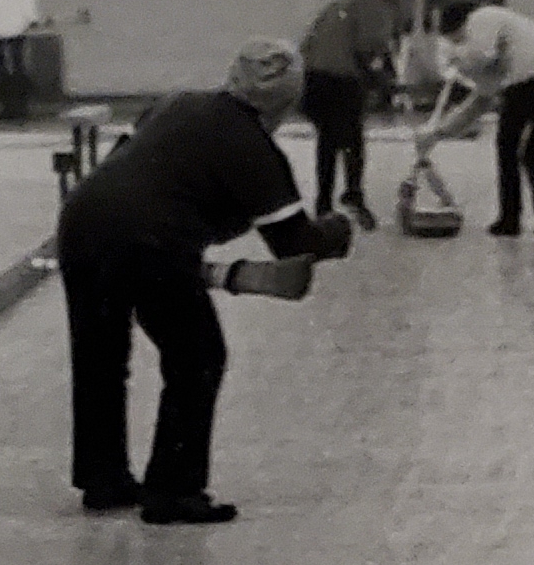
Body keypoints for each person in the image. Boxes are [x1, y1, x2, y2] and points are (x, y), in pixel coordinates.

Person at [53, 39, 353, 523]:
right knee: (197, 356)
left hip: (83, 219)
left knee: (99, 354)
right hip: (152, 240)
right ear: (288, 100)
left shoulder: (179, 102)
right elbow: (294, 245)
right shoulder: (254, 149)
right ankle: (173, 490)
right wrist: (335, 231)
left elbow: (130, 162)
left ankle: (102, 477)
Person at [436, 0, 534, 237]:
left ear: (460, 25)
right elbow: (481, 99)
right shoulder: (504, 34)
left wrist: (455, 59)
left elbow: (480, 56)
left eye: (458, 39)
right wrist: (440, 131)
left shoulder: (482, 17)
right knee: (533, 152)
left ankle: (510, 219)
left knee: (508, 148)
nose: (460, 44)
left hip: (530, 81)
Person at [298, 0, 407, 229]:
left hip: (311, 76)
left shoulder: (343, 1)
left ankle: (323, 203)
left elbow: (311, 41)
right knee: (353, 142)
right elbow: (367, 51)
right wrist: (382, 83)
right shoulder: (377, 8)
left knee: (327, 140)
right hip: (339, 79)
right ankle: (354, 195)